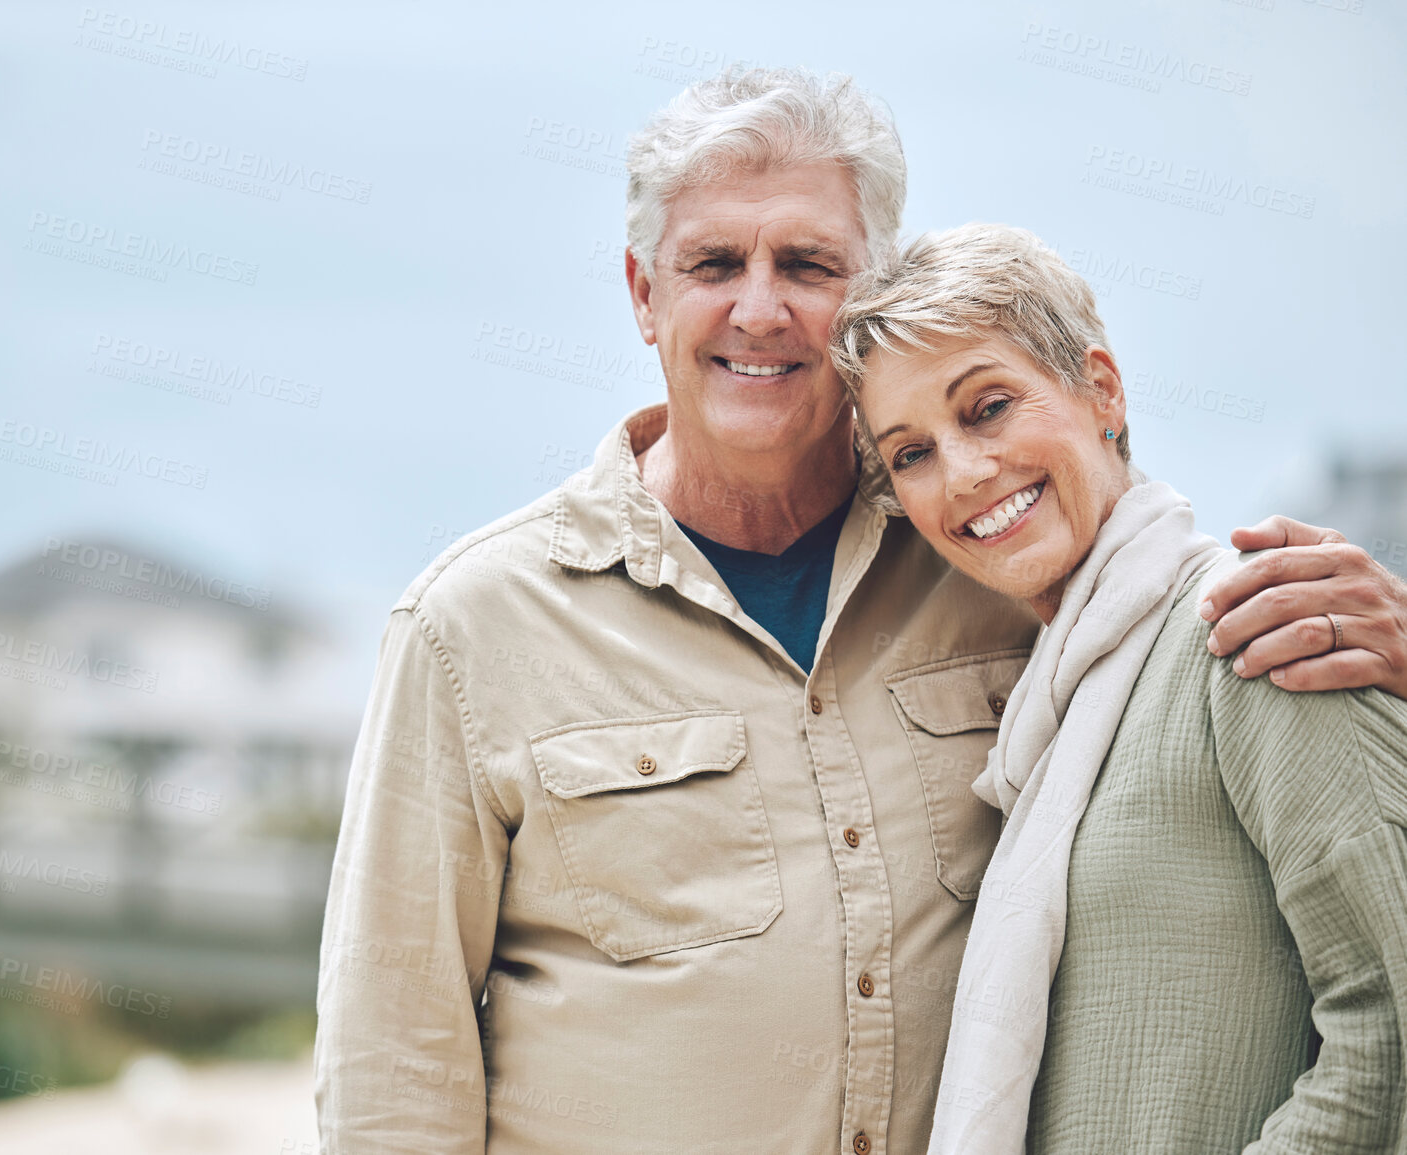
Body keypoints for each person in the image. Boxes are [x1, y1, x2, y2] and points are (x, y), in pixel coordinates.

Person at [315, 67, 1407, 1154]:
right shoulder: (474, 628)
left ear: (865, 297)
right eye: (711, 265)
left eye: (806, 263)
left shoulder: (1006, 577)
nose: (758, 306)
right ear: (645, 296)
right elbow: (391, 1079)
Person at [834, 222, 1407, 1154]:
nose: (964, 474)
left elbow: (1389, 1030)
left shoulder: (1250, 630)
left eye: (986, 407)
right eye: (911, 454)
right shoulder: (1042, 720)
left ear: (1100, 388)